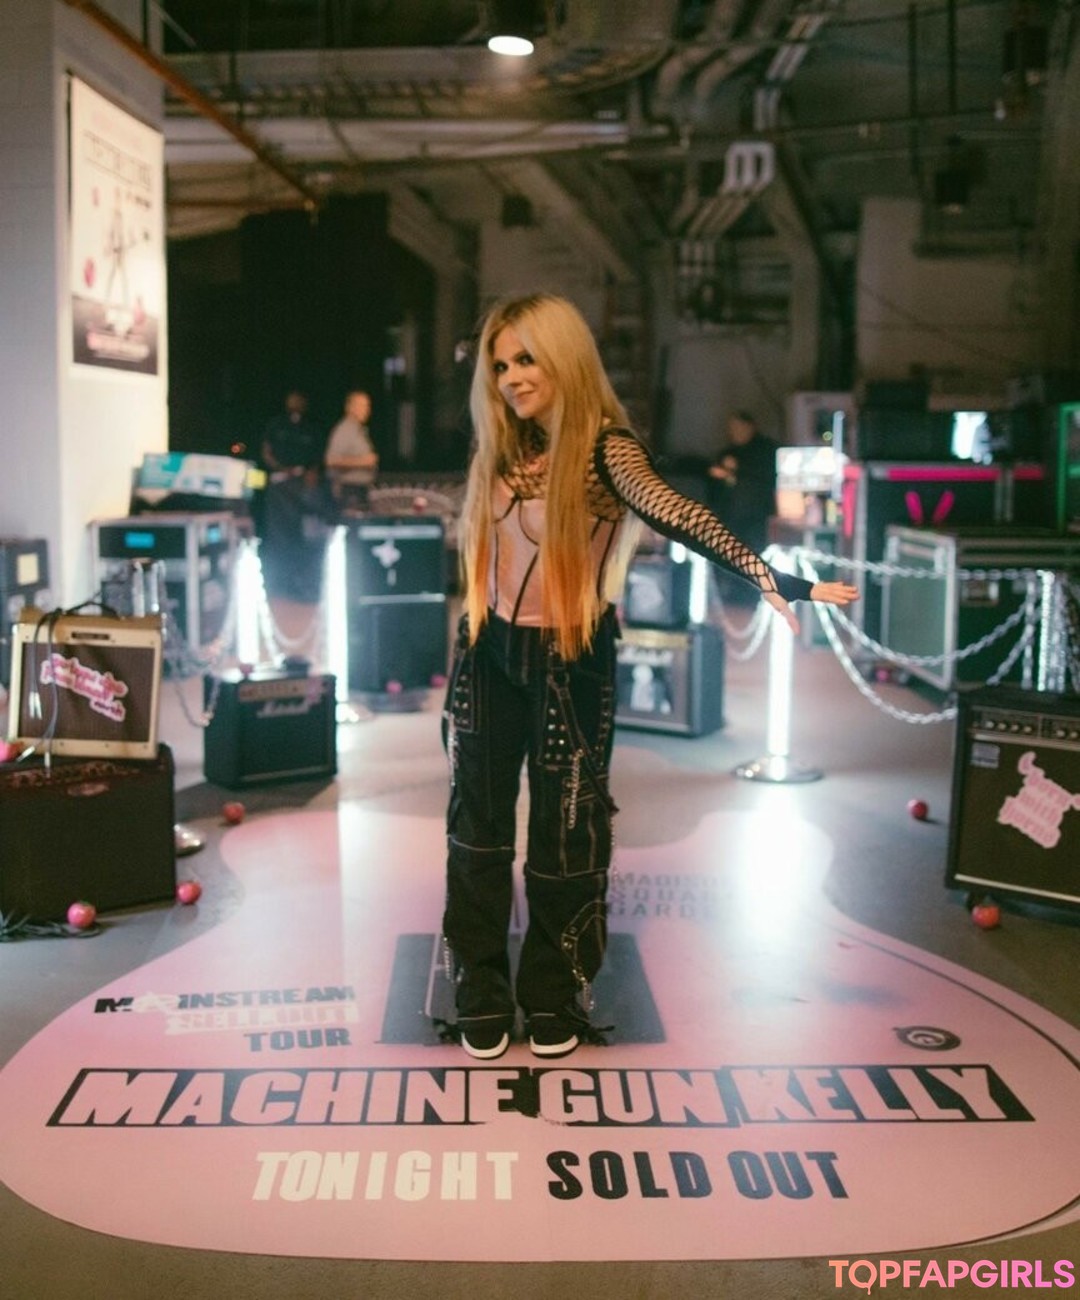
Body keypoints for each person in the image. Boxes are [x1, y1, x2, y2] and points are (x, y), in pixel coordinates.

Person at [440, 292, 858, 1062]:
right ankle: (481, 983)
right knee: (477, 826)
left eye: (526, 359)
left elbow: (673, 510)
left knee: (569, 832)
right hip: (487, 653)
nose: (511, 377)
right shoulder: (503, 442)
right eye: (500, 365)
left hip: (570, 657)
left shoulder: (605, 448)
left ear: (564, 355)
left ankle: (555, 989)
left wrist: (766, 575)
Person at [707, 410, 777, 558]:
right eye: (732, 429)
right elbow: (714, 486)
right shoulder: (727, 453)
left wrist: (737, 471)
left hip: (757, 519)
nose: (735, 432)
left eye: (739, 428)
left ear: (750, 427)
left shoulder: (766, 450)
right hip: (730, 520)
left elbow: (765, 476)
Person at [324, 390, 379, 515]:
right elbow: (331, 461)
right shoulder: (344, 430)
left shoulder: (358, 430)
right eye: (362, 406)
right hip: (349, 492)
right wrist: (364, 462)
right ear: (350, 408)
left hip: (360, 490)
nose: (366, 410)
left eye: (368, 406)